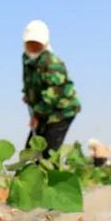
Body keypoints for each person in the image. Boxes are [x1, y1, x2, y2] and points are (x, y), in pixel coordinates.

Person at [22, 20, 81, 157]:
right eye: (30, 44)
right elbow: (29, 80)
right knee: (31, 150)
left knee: (48, 153)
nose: (33, 48)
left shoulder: (52, 63)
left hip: (62, 111)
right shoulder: (26, 59)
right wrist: (28, 95)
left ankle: (50, 176)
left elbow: (52, 96)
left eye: (37, 45)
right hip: (43, 109)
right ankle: (30, 177)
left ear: (45, 43)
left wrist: (36, 115)